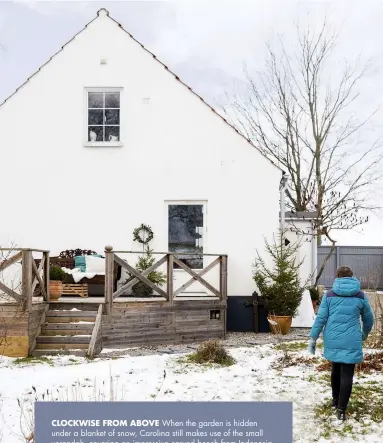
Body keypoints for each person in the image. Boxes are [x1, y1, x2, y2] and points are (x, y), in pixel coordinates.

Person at [308, 266, 374, 421]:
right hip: (352, 340)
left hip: (333, 338)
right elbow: (369, 319)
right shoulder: (360, 296)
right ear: (352, 277)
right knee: (347, 375)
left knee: (336, 369)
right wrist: (364, 333)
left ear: (337, 278)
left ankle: (335, 400)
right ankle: (342, 410)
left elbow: (321, 318)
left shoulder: (329, 295)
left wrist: (313, 338)